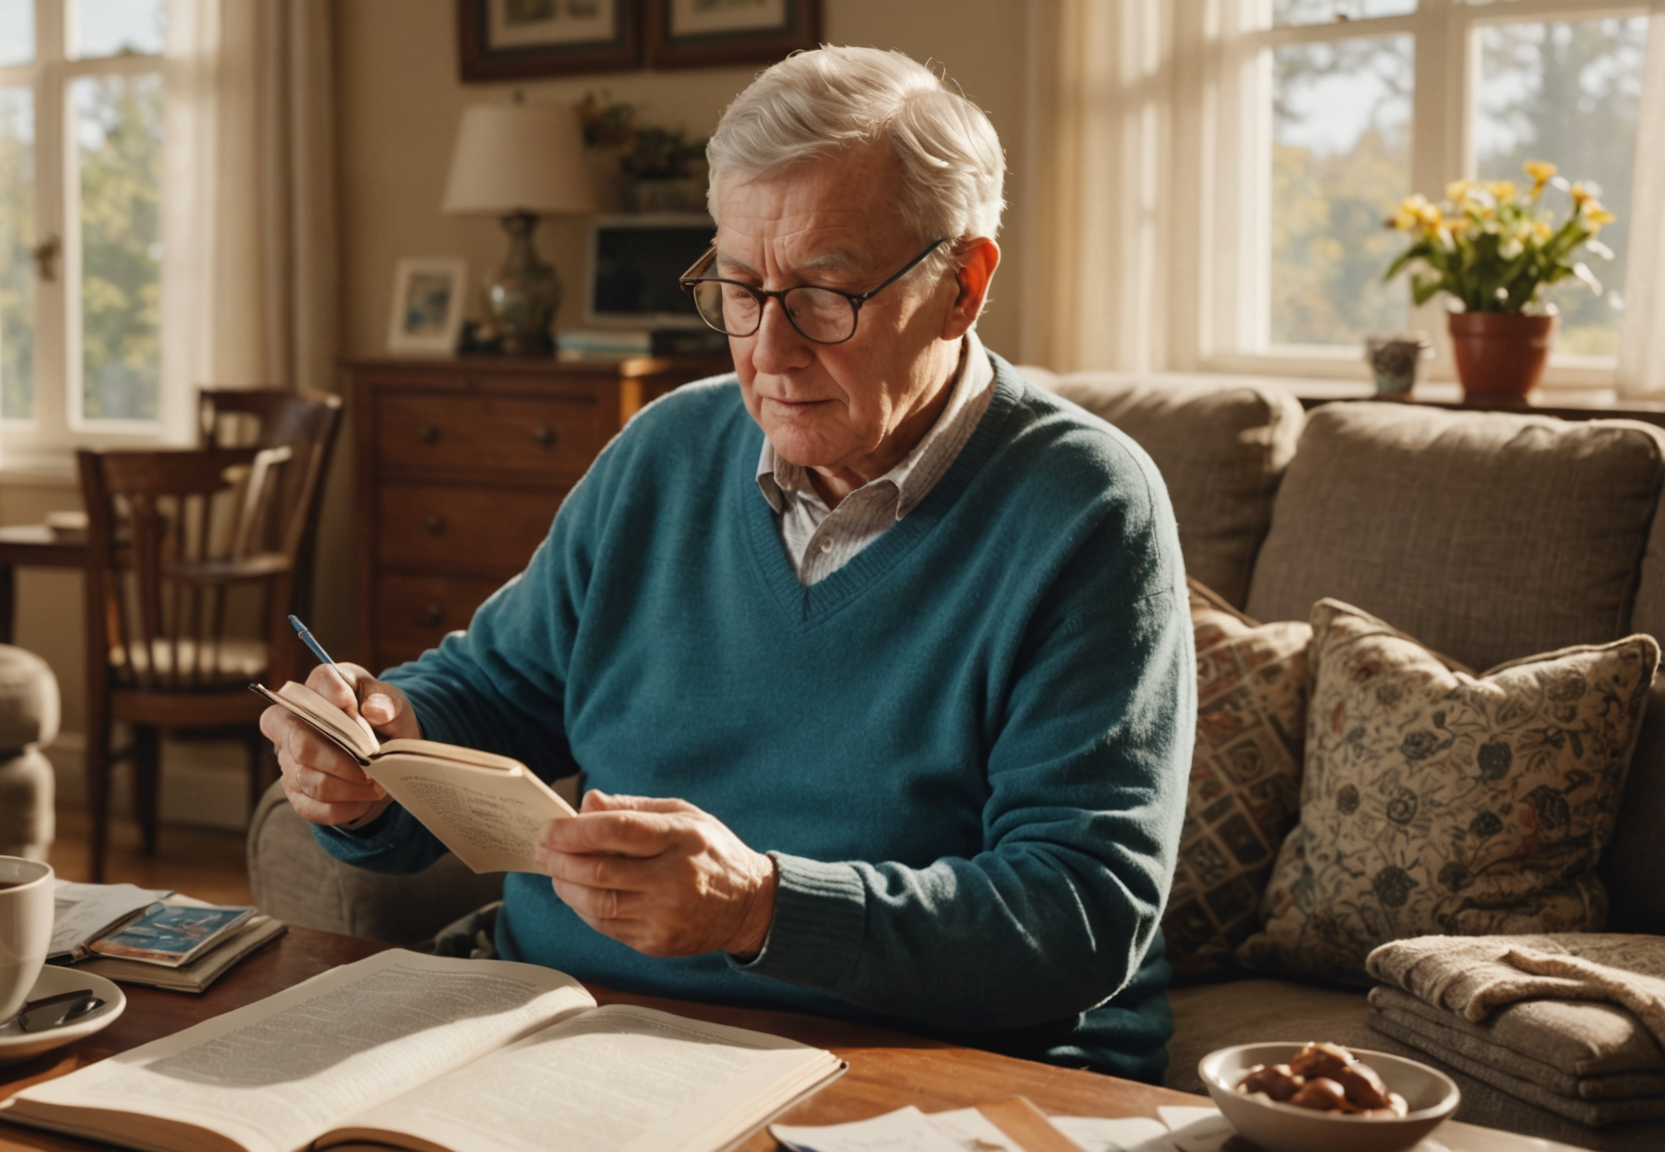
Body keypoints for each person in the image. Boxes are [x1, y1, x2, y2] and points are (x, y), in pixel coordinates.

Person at [260, 45, 1193, 1082]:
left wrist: (762, 909)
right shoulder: (665, 452)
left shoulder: (1086, 508)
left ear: (963, 284)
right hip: (574, 1028)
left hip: (917, 1067)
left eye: (825, 296)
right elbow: (494, 687)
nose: (770, 351)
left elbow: (1078, 911)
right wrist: (381, 751)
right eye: (740, 288)